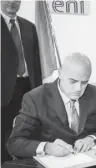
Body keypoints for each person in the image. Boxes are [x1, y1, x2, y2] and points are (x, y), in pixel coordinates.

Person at [7, 53, 96, 158]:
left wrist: (92, 139)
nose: (78, 88)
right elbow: (14, 143)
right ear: (60, 74)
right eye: (73, 81)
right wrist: (46, 147)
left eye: (84, 82)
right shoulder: (36, 98)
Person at [1, 0, 42, 163]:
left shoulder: (29, 26)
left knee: (28, 128)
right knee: (3, 129)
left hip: (28, 87)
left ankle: (24, 163)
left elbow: (36, 60)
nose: (12, 2)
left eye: (16, 0)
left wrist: (39, 88)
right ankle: (4, 163)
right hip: (2, 88)